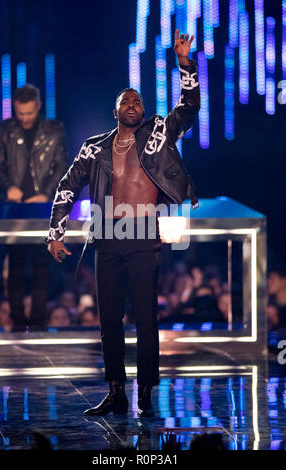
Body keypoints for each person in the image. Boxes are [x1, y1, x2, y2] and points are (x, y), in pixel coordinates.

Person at [47, 30, 200, 417]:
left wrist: (184, 63)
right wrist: (55, 231)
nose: (132, 103)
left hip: (144, 232)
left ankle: (145, 393)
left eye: (137, 99)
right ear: (115, 111)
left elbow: (190, 106)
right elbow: (68, 185)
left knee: (146, 319)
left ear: (143, 109)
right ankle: (116, 391)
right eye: (125, 100)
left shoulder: (160, 133)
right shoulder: (94, 146)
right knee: (109, 321)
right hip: (108, 236)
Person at [0, 84, 68, 329]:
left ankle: (37, 325)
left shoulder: (54, 130)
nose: (24, 118)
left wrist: (45, 194)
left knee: (42, 265)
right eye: (20, 113)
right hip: (15, 206)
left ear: (38, 108)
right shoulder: (4, 130)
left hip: (43, 206)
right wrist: (7, 188)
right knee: (15, 264)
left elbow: (61, 165)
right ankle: (17, 322)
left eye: (29, 113)